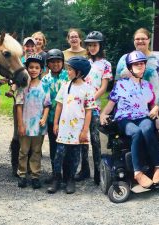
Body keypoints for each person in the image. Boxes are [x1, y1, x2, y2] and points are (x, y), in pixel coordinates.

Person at [100, 51, 159, 188]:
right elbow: (111, 104)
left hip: (142, 116)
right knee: (136, 132)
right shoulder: (121, 85)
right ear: (130, 68)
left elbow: (152, 104)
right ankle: (138, 172)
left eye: (142, 63)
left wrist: (155, 108)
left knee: (148, 129)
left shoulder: (147, 85)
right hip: (125, 119)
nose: (140, 66)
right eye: (136, 64)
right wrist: (103, 114)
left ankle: (158, 167)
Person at [47, 56, 95, 194]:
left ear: (79, 72)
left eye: (70, 69)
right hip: (63, 128)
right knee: (59, 155)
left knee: (74, 156)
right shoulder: (65, 86)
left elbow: (89, 111)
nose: (67, 71)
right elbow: (59, 106)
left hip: (77, 129)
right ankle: (57, 179)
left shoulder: (87, 89)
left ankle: (70, 180)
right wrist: (55, 123)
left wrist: (85, 131)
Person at [75, 31, 113, 185]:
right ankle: (84, 169)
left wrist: (91, 100)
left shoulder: (106, 64)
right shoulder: (84, 62)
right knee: (82, 139)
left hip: (94, 107)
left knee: (96, 140)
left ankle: (98, 171)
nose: (92, 47)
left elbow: (104, 87)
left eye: (95, 45)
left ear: (100, 46)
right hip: (80, 106)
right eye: (89, 45)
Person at [115, 28, 159, 115]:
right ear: (134, 41)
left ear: (149, 40)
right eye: (137, 39)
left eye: (143, 38)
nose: (140, 41)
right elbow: (117, 82)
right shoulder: (124, 59)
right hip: (127, 109)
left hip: (151, 109)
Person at [16, 54, 51, 189]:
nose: (33, 70)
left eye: (37, 67)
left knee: (36, 151)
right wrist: (20, 124)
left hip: (38, 126)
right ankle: (22, 174)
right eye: (31, 67)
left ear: (41, 70)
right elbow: (19, 105)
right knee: (23, 151)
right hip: (25, 124)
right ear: (27, 68)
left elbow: (47, 105)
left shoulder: (45, 86)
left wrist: (44, 118)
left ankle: (35, 175)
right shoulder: (23, 86)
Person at [41, 49, 69, 183]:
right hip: (52, 119)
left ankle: (67, 176)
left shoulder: (68, 76)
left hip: (68, 120)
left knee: (67, 148)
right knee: (54, 147)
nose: (56, 64)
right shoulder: (45, 79)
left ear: (63, 63)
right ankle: (56, 174)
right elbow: (44, 100)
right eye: (52, 62)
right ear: (48, 64)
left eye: (58, 61)